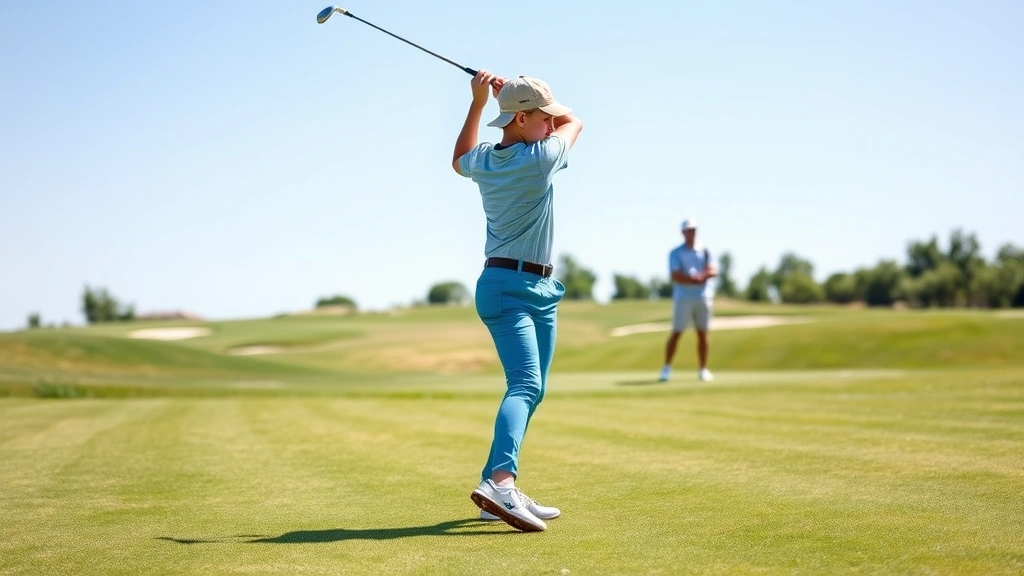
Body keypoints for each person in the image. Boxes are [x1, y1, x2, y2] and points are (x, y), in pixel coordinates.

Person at [451, 71, 583, 532]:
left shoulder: (486, 160)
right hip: (509, 288)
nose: (550, 125)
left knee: (534, 388)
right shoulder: (540, 158)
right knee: (525, 385)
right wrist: (509, 96)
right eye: (542, 118)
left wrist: (480, 102)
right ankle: (501, 483)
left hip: (535, 289)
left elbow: (458, 159)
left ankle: (493, 490)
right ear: (523, 119)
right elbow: (575, 121)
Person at [660, 218, 718, 383]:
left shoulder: (705, 250)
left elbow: (713, 270)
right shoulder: (675, 252)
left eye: (693, 230)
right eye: (688, 230)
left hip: (703, 296)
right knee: (677, 332)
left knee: (703, 333)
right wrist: (692, 279)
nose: (691, 233)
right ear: (683, 233)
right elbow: (675, 275)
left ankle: (703, 369)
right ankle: (666, 368)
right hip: (683, 297)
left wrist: (702, 276)